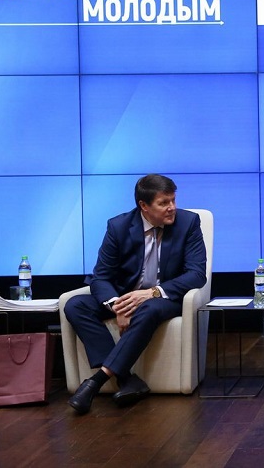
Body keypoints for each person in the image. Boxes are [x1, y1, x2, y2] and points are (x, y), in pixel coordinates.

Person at [64, 174, 207, 414]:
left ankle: (96, 381)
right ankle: (126, 379)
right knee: (75, 305)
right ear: (144, 206)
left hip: (165, 298)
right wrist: (117, 306)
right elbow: (101, 276)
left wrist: (153, 292)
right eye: (164, 203)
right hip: (126, 297)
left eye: (173, 200)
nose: (172, 207)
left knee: (149, 307)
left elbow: (196, 274)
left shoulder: (188, 223)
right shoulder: (118, 227)